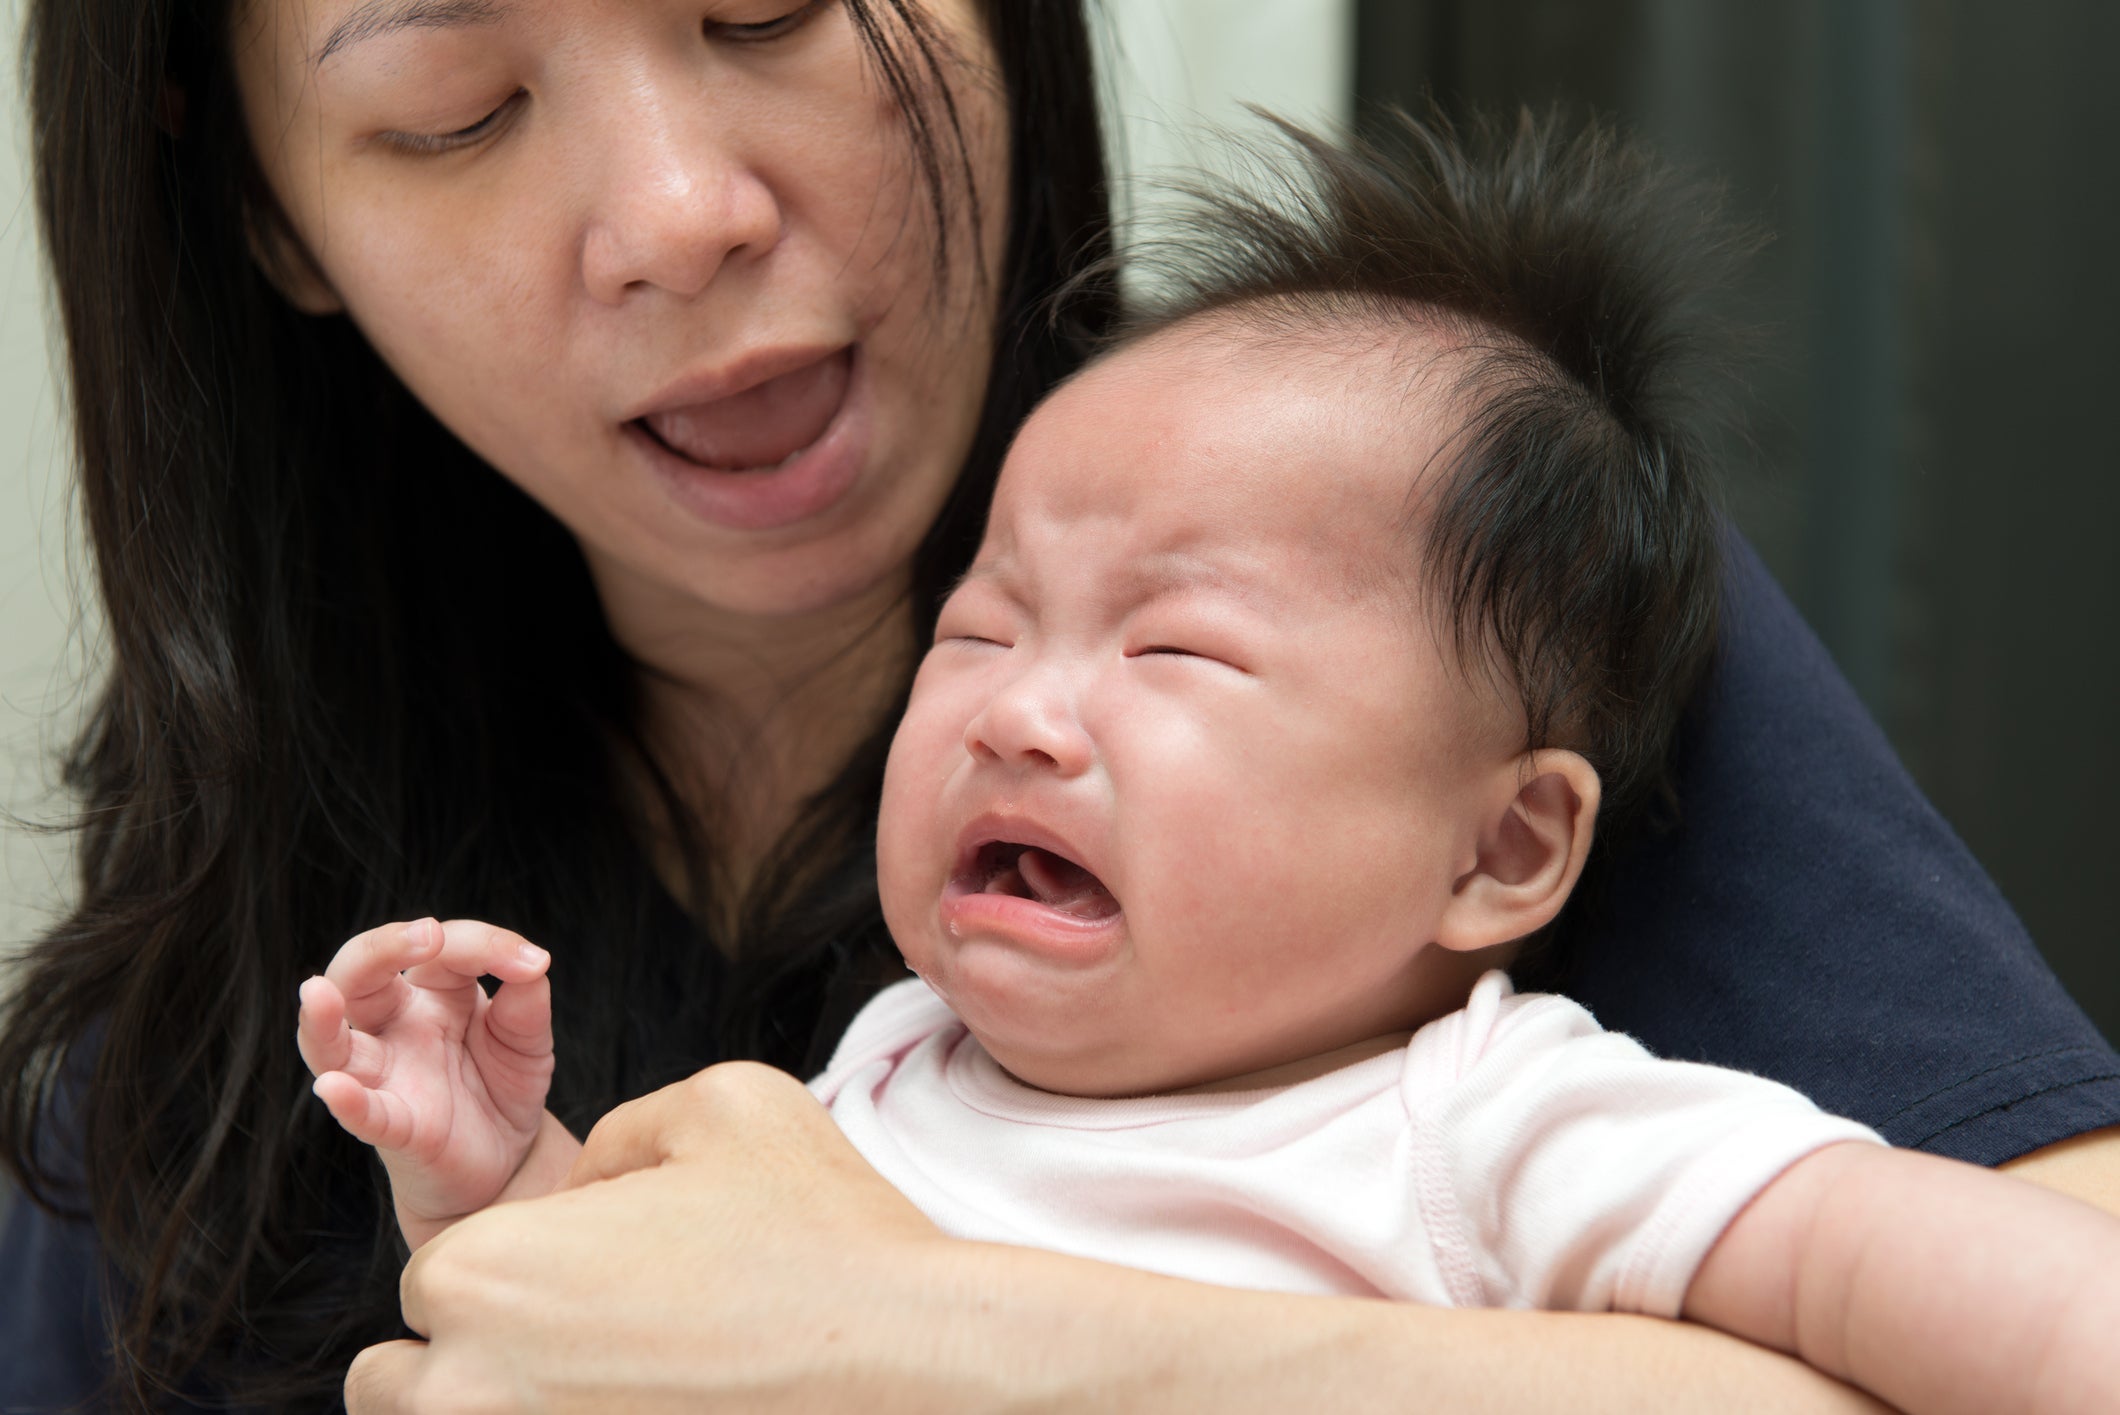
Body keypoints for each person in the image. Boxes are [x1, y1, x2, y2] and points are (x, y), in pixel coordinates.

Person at [1, 0, 2114, 1409]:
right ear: (267, 203)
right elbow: (607, 1323)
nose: (678, 218)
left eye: (762, 6)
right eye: (454, 108)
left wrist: (940, 1344)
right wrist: (488, 1200)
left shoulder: (1451, 616)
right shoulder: (914, 1049)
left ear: (1504, 842)